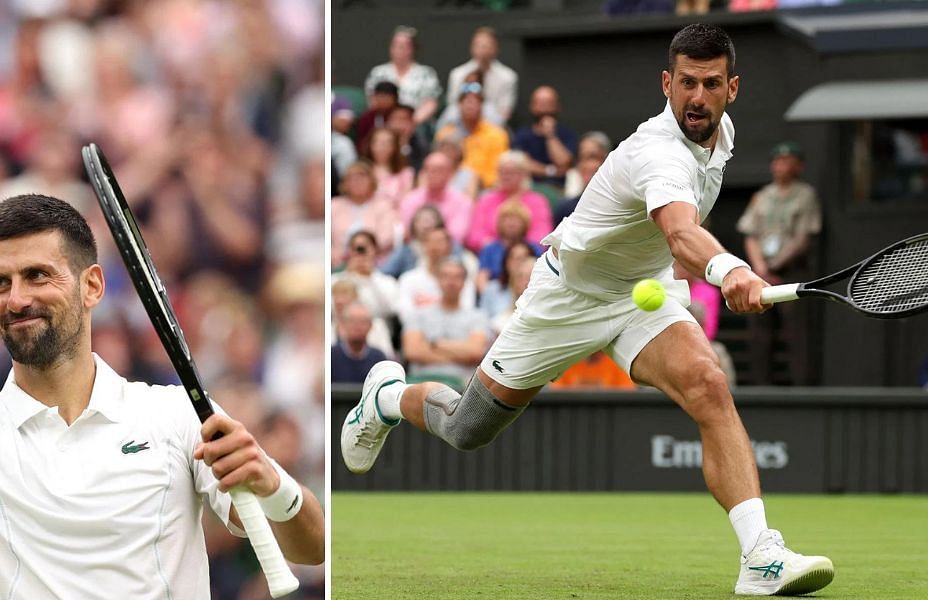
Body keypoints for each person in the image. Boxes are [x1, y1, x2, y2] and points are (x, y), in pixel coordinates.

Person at [0, 17, 323, 599]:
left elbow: (310, 546)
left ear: (93, 285)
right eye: (0, 282)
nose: (17, 298)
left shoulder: (175, 417)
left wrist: (271, 484)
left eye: (38, 275)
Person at [342, 24, 834, 597]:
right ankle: (385, 398)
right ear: (667, 83)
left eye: (712, 84)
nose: (698, 97)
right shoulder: (658, 152)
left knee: (708, 385)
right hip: (566, 297)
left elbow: (670, 244)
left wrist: (721, 270)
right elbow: (680, 233)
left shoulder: (720, 135)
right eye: (688, 83)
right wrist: (732, 271)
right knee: (467, 429)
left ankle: (760, 557)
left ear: (733, 88)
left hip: (639, 292)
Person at [737, 142, 821, 385]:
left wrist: (776, 266)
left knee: (796, 332)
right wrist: (760, 267)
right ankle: (761, 386)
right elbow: (750, 234)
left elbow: (804, 237)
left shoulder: (805, 195)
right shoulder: (762, 196)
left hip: (791, 271)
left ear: (798, 166)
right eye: (776, 161)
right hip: (760, 273)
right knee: (759, 333)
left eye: (786, 160)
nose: (779, 165)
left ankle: (801, 386)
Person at [401, 259, 489, 389]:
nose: (451, 282)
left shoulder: (478, 316)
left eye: (457, 277)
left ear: (464, 282)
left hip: (461, 386)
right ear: (438, 280)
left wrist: (435, 344)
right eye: (446, 276)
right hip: (420, 383)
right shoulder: (417, 314)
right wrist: (460, 354)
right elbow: (412, 351)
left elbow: (476, 352)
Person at [465, 150, 553, 253]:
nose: (506, 176)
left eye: (511, 172)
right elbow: (475, 234)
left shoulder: (537, 201)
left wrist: (519, 250)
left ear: (524, 174)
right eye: (502, 172)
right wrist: (495, 247)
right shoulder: (486, 200)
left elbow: (542, 234)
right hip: (492, 253)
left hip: (527, 255)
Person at [435, 83, 509, 190]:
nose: (471, 105)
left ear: (482, 106)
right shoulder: (445, 134)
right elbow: (438, 164)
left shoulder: (497, 135)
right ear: (459, 105)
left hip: (484, 189)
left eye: (476, 101)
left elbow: (498, 170)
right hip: (450, 187)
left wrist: (476, 182)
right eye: (467, 101)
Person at [364, 27, 442, 127]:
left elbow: (431, 103)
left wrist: (410, 123)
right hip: (384, 125)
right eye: (396, 45)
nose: (399, 49)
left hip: (417, 125)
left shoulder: (426, 73)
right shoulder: (378, 72)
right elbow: (373, 101)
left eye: (404, 45)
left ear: (413, 48)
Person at [444, 27, 518, 127]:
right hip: (461, 125)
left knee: (490, 110)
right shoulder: (457, 74)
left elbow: (505, 112)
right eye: (478, 45)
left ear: (496, 48)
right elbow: (452, 105)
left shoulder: (508, 77)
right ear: (472, 47)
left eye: (487, 45)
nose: (482, 49)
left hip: (492, 127)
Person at [331, 161, 399, 268]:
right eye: (352, 179)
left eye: (361, 178)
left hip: (377, 264)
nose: (357, 182)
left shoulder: (383, 205)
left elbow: (386, 238)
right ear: (345, 183)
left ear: (371, 181)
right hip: (338, 263)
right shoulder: (333, 205)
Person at [511, 85, 578, 191]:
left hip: (559, 188)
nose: (545, 109)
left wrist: (550, 135)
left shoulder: (567, 134)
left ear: (557, 106)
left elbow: (564, 162)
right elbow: (521, 163)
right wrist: (551, 171)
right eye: (540, 104)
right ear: (532, 107)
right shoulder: (522, 135)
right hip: (528, 188)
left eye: (549, 104)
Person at [399, 152, 473, 246]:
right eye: (429, 170)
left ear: (450, 174)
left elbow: (457, 236)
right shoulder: (410, 200)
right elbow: (407, 231)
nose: (433, 174)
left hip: (448, 252)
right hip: (415, 250)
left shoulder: (462, 202)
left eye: (439, 170)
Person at [331, 302, 388, 384]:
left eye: (363, 321)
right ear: (342, 325)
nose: (357, 326)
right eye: (352, 321)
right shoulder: (331, 356)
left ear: (371, 326)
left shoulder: (379, 358)